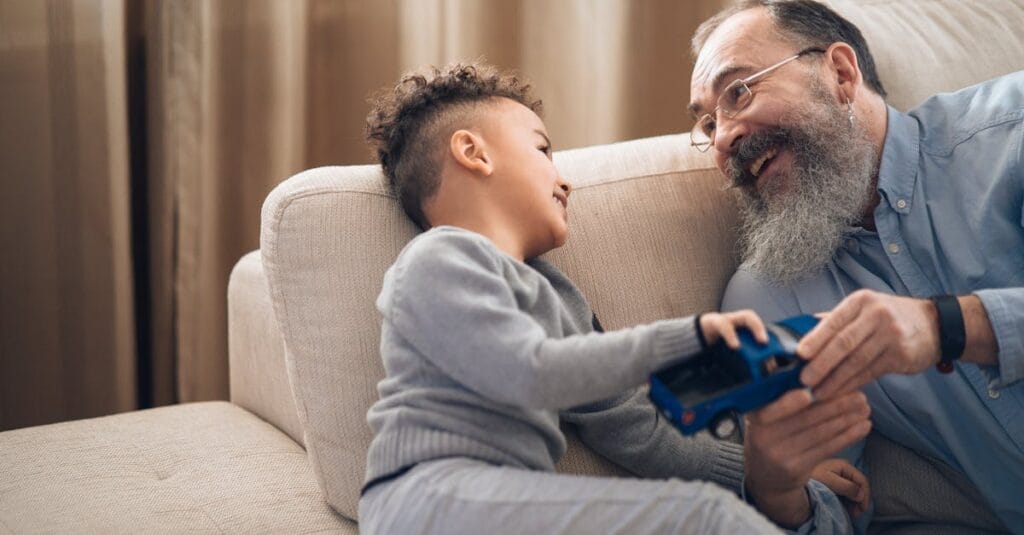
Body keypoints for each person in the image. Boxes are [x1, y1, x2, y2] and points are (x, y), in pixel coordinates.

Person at [358, 62, 869, 533]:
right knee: (707, 517)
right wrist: (685, 339)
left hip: (510, 502)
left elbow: (636, 426)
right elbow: (531, 373)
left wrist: (763, 473)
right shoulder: (440, 259)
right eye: (542, 150)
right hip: (428, 498)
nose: (565, 179)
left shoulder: (555, 295)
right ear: (473, 153)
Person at [687, 0, 1023, 531]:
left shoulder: (1012, 131)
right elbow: (837, 509)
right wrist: (776, 490)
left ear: (840, 73)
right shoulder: (770, 297)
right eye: (708, 124)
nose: (724, 137)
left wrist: (947, 326)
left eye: (740, 91)